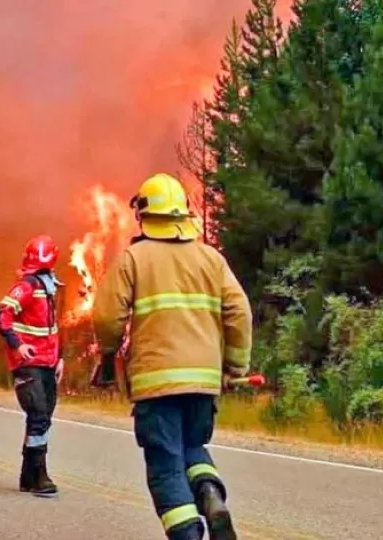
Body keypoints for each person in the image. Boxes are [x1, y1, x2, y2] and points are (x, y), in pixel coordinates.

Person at [91, 173, 252, 540]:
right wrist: (235, 365)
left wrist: (109, 351)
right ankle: (210, 493)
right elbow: (240, 312)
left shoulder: (135, 259)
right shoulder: (211, 259)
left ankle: (187, 535)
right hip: (203, 384)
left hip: (156, 382)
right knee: (192, 446)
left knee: (165, 465)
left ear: (144, 215)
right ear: (182, 214)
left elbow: (106, 317)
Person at [0, 234, 65, 497]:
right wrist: (18, 345)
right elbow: (1, 314)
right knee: (38, 417)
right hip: (28, 363)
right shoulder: (27, 286)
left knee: (42, 419)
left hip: (47, 362)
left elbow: (54, 328)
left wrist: (60, 357)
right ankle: (41, 475)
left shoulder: (49, 288)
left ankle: (27, 476)